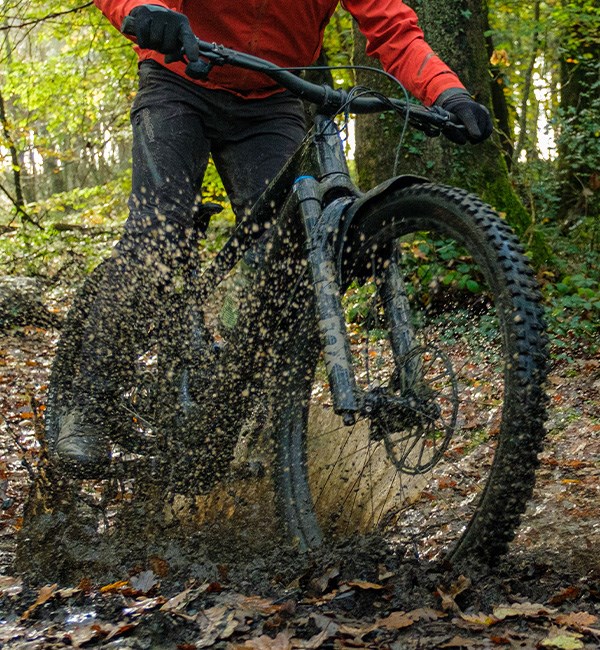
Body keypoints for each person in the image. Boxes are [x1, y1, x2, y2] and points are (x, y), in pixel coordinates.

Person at [53, 0, 493, 476]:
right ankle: (89, 403)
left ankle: (252, 422)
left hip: (272, 98)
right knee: (155, 241)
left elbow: (394, 28)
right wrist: (142, 10)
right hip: (178, 78)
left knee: (284, 268)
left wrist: (447, 92)